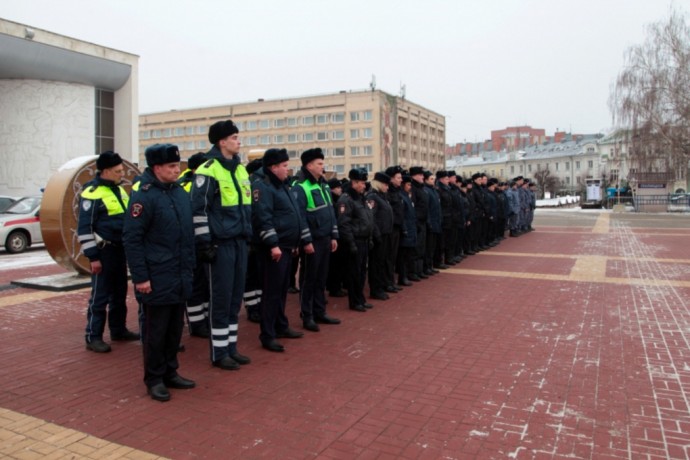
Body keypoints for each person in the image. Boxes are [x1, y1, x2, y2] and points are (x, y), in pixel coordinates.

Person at [123, 143, 196, 402]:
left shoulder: (178, 193)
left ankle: (170, 372)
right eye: (172, 166)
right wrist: (140, 277)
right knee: (156, 332)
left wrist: (190, 266)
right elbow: (132, 239)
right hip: (156, 276)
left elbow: (187, 235)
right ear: (157, 168)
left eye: (178, 165)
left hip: (179, 273)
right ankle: (154, 379)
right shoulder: (143, 196)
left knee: (175, 329)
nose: (177, 170)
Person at [191, 120, 252, 371]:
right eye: (235, 137)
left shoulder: (240, 170)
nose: (239, 141)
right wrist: (205, 243)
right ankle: (219, 352)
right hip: (220, 245)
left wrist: (249, 237)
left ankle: (231, 347)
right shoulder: (207, 170)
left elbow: (248, 208)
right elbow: (198, 210)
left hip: (239, 243)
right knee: (221, 298)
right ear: (222, 142)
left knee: (235, 297)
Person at [78, 151, 139, 353]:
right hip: (103, 252)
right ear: (105, 171)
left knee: (119, 293)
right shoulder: (91, 193)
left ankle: (118, 330)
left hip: (119, 250)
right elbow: (84, 229)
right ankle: (93, 336)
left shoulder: (119, 191)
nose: (122, 174)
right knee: (99, 297)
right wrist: (93, 257)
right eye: (118, 171)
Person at [251, 149, 307, 352]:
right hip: (272, 249)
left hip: (285, 246)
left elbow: (292, 214)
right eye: (284, 165)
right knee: (271, 292)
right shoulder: (264, 186)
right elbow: (262, 218)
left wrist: (293, 243)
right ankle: (267, 334)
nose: (287, 168)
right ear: (273, 168)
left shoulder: (282, 186)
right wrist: (273, 244)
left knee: (282, 290)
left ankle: (281, 325)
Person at [292, 148, 341, 333]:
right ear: (309, 165)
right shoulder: (301, 186)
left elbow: (331, 211)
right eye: (320, 163)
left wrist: (334, 235)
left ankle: (320, 311)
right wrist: (306, 241)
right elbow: (300, 216)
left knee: (321, 278)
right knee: (309, 279)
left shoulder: (323, 185)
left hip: (325, 238)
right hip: (312, 240)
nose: (323, 166)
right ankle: (307, 315)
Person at [177, 152, 210, 338]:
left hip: (201, 241)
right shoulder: (189, 185)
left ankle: (203, 319)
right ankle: (197, 324)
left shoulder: (187, 183)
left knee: (204, 284)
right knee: (197, 284)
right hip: (193, 242)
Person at [337, 168, 374, 312]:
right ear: (354, 183)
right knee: (354, 273)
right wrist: (351, 243)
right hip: (354, 241)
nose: (364, 186)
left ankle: (360, 299)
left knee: (361, 272)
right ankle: (354, 301)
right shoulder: (346, 200)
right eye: (362, 183)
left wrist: (369, 238)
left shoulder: (361, 198)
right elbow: (344, 224)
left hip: (363, 240)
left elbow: (367, 219)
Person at [366, 171, 394, 300]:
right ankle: (375, 289)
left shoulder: (382, 196)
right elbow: (372, 217)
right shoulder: (373, 197)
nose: (387, 187)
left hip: (386, 234)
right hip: (379, 236)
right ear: (379, 184)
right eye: (385, 184)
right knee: (376, 264)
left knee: (382, 262)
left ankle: (381, 286)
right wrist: (377, 235)